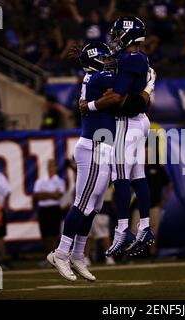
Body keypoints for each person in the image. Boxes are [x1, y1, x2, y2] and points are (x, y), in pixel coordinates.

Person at [48, 42, 155, 282]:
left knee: (94, 206)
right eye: (104, 58)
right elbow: (117, 97)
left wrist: (93, 104)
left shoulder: (93, 76)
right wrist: (148, 86)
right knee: (83, 203)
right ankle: (61, 252)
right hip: (94, 147)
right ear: (95, 62)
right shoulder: (98, 77)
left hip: (102, 146)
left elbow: (111, 95)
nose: (109, 61)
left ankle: (77, 255)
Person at [79, 17, 156, 257]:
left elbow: (117, 98)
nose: (114, 39)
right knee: (138, 175)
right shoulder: (136, 58)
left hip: (128, 122)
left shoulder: (131, 59)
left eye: (117, 34)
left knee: (119, 175)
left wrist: (89, 106)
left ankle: (123, 228)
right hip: (140, 122)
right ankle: (144, 226)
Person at [131, 146, 173, 257]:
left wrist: (163, 201)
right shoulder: (135, 168)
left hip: (154, 205)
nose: (145, 155)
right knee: (135, 229)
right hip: (139, 205)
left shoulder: (158, 168)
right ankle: (133, 253)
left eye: (147, 153)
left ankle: (152, 253)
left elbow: (169, 185)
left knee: (154, 231)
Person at [33, 159, 65, 267]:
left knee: (55, 234)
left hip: (54, 209)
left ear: (56, 167)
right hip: (43, 209)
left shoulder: (59, 181)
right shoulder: (41, 180)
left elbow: (58, 195)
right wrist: (51, 194)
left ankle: (55, 258)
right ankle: (48, 258)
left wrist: (44, 194)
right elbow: (36, 195)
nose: (51, 168)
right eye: (49, 165)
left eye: (53, 165)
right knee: (45, 235)